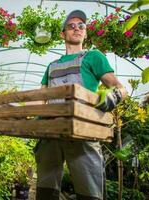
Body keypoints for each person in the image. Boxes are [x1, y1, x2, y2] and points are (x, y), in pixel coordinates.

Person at [35, 10, 127, 200]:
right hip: (50, 133)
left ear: (85, 33)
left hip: (83, 133)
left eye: (81, 26)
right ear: (63, 34)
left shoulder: (93, 57)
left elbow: (119, 87)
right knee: (45, 191)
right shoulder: (51, 66)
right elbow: (40, 99)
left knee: (89, 193)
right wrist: (22, 114)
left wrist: (113, 96)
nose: (77, 28)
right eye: (71, 26)